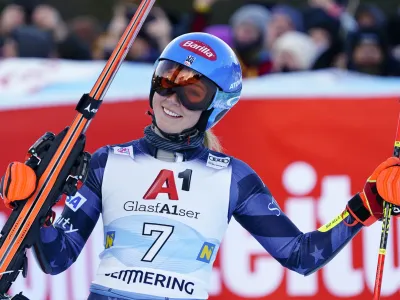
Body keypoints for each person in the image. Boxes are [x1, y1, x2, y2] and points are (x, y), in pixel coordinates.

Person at [1, 32, 400, 300]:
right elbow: (57, 259)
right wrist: (33, 208)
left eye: (192, 92)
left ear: (215, 105)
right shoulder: (107, 162)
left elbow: (301, 255)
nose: (171, 98)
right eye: (165, 80)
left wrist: (364, 206)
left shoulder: (233, 177)